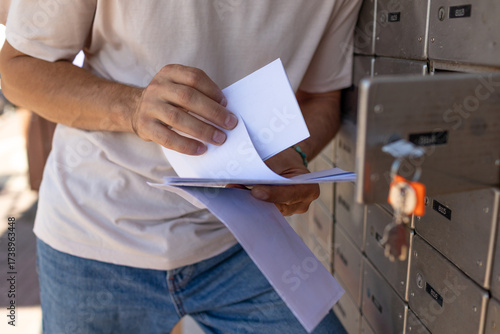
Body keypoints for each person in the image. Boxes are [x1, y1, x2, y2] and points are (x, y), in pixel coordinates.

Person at [0, 1, 362, 333]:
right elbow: (17, 68)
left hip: (239, 239)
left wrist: (295, 154)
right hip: (93, 236)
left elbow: (322, 96)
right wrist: (132, 106)